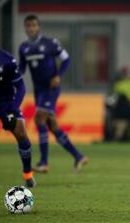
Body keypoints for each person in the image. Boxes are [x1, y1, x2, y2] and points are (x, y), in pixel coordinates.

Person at [19, 14, 88, 173]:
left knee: (39, 118)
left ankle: (44, 162)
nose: (31, 28)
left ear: (39, 27)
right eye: (28, 26)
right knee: (52, 125)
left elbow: (67, 60)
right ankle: (78, 156)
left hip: (50, 88)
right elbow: (22, 68)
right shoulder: (23, 48)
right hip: (39, 91)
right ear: (25, 28)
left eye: (33, 25)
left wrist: (58, 75)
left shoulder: (50, 43)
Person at [0, 31, 35, 187]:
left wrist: (13, 108)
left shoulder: (8, 61)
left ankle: (28, 174)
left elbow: (21, 87)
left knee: (21, 133)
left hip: (6, 103)